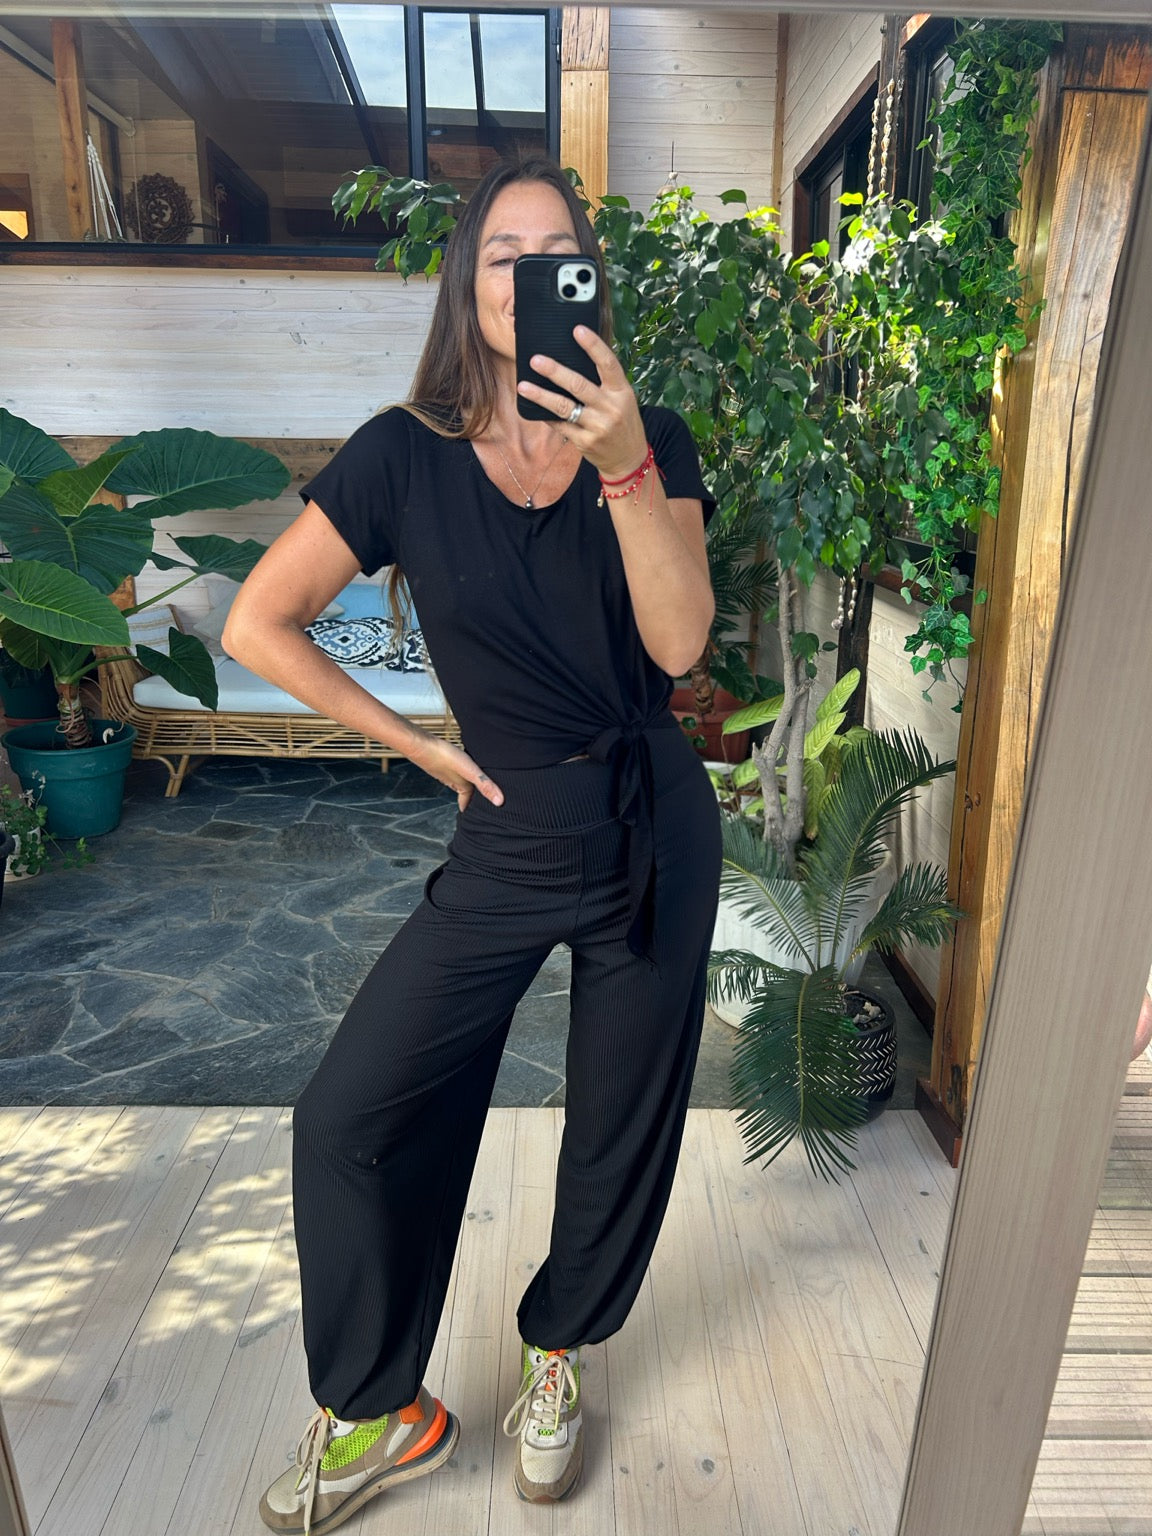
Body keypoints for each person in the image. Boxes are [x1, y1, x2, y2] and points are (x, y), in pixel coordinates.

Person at [222, 156, 721, 1536]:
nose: (529, 274)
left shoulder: (653, 439)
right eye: (505, 252)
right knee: (348, 1116)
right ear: (468, 281)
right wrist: (416, 743)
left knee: (617, 1120)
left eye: (558, 252)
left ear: (587, 283)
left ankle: (559, 1348)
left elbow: (681, 644)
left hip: (649, 826)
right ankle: (380, 1404)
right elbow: (257, 623)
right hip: (505, 832)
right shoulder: (402, 455)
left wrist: (623, 464)